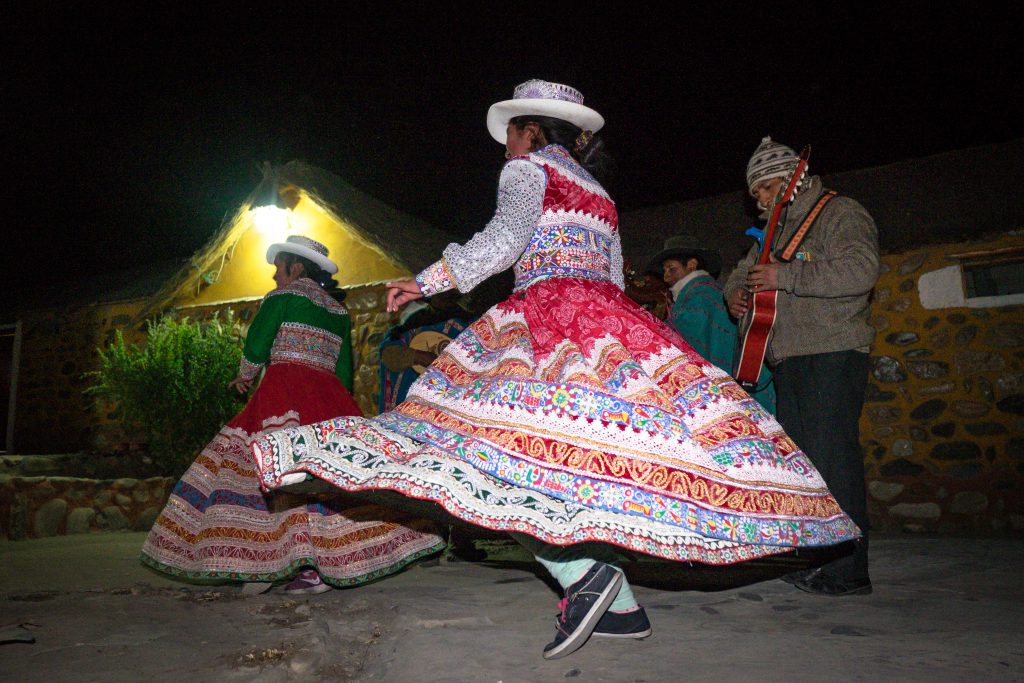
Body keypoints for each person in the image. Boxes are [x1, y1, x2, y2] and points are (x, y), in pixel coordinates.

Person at [252, 81, 859, 658]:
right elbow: (615, 276)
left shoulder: (526, 169)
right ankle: (617, 606)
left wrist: (428, 281)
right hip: (607, 328)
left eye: (510, 134)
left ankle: (584, 572)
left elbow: (504, 239)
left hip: (543, 326)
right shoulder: (598, 193)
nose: (506, 146)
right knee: (563, 465)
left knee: (487, 457)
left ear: (529, 131)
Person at [142, 235, 444, 595]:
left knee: (266, 472)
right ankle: (325, 565)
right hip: (328, 398)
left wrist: (245, 375)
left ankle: (272, 562)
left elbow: (258, 342)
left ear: (296, 267)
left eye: (277, 268)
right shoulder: (338, 311)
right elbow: (344, 367)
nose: (274, 276)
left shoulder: (282, 298)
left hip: (284, 392)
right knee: (328, 477)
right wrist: (341, 404)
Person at [725, 137, 880, 596]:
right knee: (809, 467)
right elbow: (743, 272)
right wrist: (735, 294)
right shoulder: (775, 230)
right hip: (789, 358)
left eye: (768, 188)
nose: (762, 200)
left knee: (834, 461)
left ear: (796, 178)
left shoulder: (839, 212)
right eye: (756, 194)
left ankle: (848, 571)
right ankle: (819, 560)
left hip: (832, 352)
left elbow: (860, 270)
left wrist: (786, 277)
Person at [647, 234, 775, 413]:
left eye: (671, 269)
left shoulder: (702, 295)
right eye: (665, 271)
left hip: (739, 388)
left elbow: (681, 336)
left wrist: (645, 328)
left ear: (691, 265)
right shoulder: (699, 294)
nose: (666, 277)